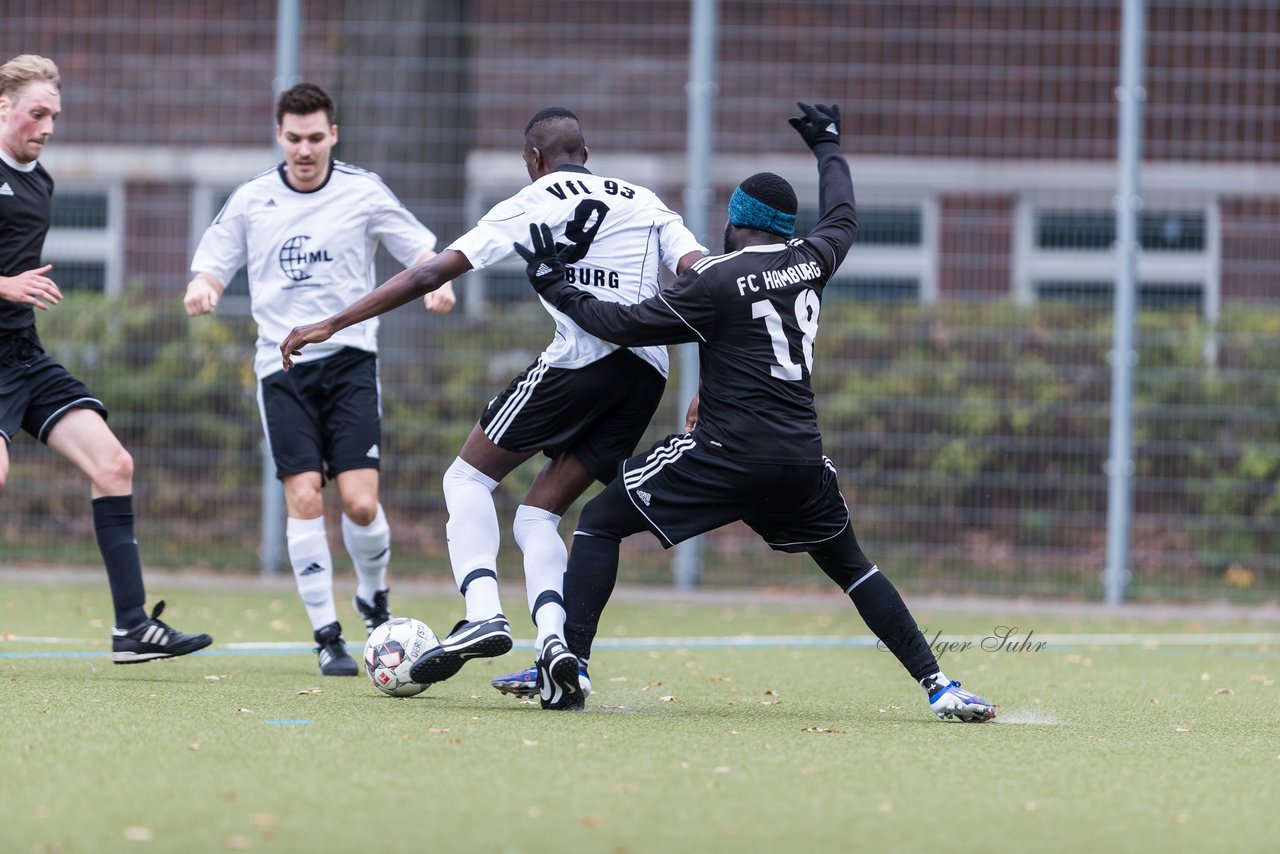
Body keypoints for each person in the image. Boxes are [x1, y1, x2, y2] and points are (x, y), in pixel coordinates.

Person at [514, 102, 997, 721]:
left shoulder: (716, 280)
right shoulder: (813, 260)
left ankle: (571, 664)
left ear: (734, 223)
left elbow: (622, 324)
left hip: (723, 456)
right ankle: (941, 686)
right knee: (853, 567)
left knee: (598, 523)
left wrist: (554, 283)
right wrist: (828, 146)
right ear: (786, 227)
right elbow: (843, 215)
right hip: (799, 459)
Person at [280, 107, 706, 695]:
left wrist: (331, 322)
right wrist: (712, 380)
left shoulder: (530, 202)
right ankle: (556, 645)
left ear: (533, 160)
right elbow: (704, 277)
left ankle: (483, 612)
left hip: (581, 359)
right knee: (539, 513)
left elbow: (428, 275)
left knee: (466, 480)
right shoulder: (648, 202)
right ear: (586, 150)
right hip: (648, 374)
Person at [185, 82, 455, 676]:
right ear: (278, 136)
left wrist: (440, 285)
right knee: (305, 495)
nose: (303, 150)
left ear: (333, 134)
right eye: (293, 138)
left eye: (314, 138)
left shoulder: (362, 191)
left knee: (360, 505)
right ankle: (327, 635)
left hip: (352, 361)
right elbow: (212, 260)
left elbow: (421, 252)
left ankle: (373, 596)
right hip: (282, 369)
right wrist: (203, 286)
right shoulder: (254, 198)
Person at [0, 54, 213, 663]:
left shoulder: (40, 179)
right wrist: (6, 284)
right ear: (3, 105)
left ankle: (131, 627)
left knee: (114, 464)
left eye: (54, 116)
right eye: (36, 113)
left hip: (22, 356)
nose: (46, 126)